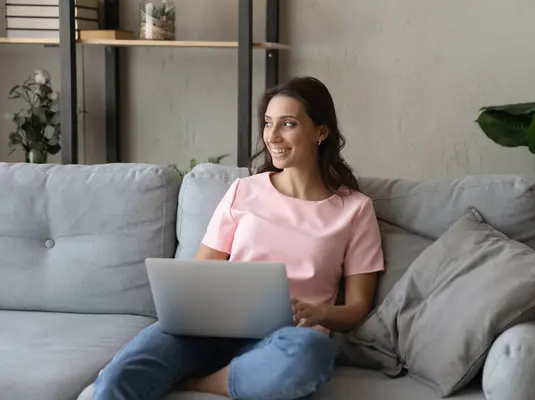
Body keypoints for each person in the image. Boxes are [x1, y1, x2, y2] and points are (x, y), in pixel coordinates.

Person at [92, 76, 385, 400]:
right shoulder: (244, 191)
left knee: (312, 353)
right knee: (115, 380)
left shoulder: (356, 209)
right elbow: (198, 273)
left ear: (321, 131)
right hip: (209, 327)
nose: (272, 136)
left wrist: (320, 312)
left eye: (287, 124)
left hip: (285, 340)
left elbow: (357, 308)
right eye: (268, 123)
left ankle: (203, 383)